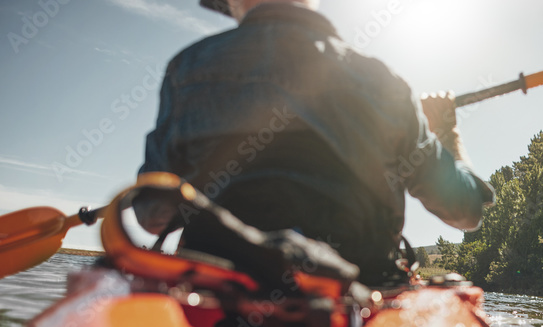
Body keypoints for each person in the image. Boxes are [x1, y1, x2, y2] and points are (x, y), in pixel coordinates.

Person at [138, 0, 493, 286]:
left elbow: (151, 215)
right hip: (353, 293)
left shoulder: (185, 70)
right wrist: (446, 131)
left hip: (214, 286)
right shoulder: (386, 85)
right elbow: (465, 210)